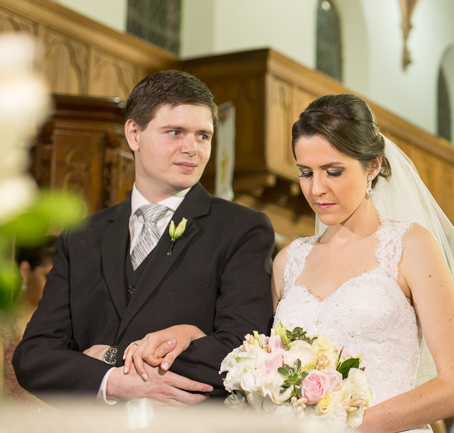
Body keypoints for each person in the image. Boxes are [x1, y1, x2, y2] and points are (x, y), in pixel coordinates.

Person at [13, 70, 275, 406]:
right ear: (134, 134)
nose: (191, 149)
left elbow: (243, 350)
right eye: (175, 132)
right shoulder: (82, 236)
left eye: (203, 136)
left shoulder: (241, 229)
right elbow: (33, 356)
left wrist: (111, 358)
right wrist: (111, 384)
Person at [270, 94, 454, 431]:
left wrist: (353, 426)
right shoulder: (288, 260)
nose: (316, 189)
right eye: (306, 173)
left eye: (333, 171)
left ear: (373, 165)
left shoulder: (411, 246)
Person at [2, 236, 56, 404]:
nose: (56, 287)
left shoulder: (65, 324)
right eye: (47, 277)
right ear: (25, 270)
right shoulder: (5, 325)